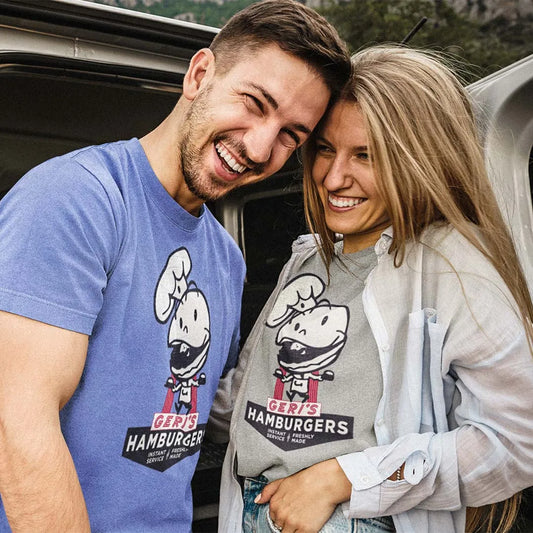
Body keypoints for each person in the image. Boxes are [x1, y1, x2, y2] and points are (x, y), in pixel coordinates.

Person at [0, 1, 350, 531]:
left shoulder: (226, 259)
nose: (260, 148)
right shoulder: (77, 199)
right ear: (200, 74)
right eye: (255, 103)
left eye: (290, 136)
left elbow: (202, 412)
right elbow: (18, 420)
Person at [217, 45, 533, 533]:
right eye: (326, 149)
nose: (333, 177)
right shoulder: (306, 259)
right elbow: (242, 396)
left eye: (365, 155)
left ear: (419, 160)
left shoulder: (456, 266)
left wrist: (345, 478)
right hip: (252, 508)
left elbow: (516, 441)